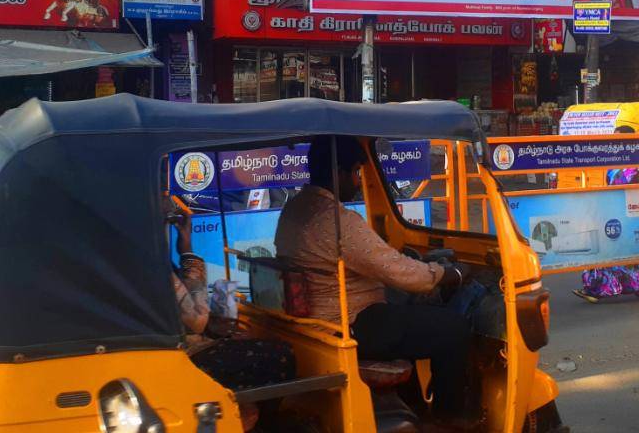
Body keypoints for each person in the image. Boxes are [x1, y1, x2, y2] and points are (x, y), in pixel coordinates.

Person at [274, 137, 475, 428]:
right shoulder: (338, 221)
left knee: (407, 315)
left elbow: (376, 261)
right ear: (338, 173)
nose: (357, 182)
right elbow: (399, 272)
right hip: (350, 322)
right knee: (452, 327)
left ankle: (414, 407)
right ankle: (451, 418)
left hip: (316, 321)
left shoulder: (294, 209)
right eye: (356, 172)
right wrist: (449, 274)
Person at [169, 204, 296, 431]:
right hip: (181, 355)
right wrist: (187, 250)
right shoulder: (151, 262)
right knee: (282, 355)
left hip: (175, 346)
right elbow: (197, 319)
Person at [572, 126, 639, 304]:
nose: (616, 144)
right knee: (607, 253)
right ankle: (595, 288)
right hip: (615, 216)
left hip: (634, 219)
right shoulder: (612, 167)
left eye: (620, 140)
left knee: (635, 258)